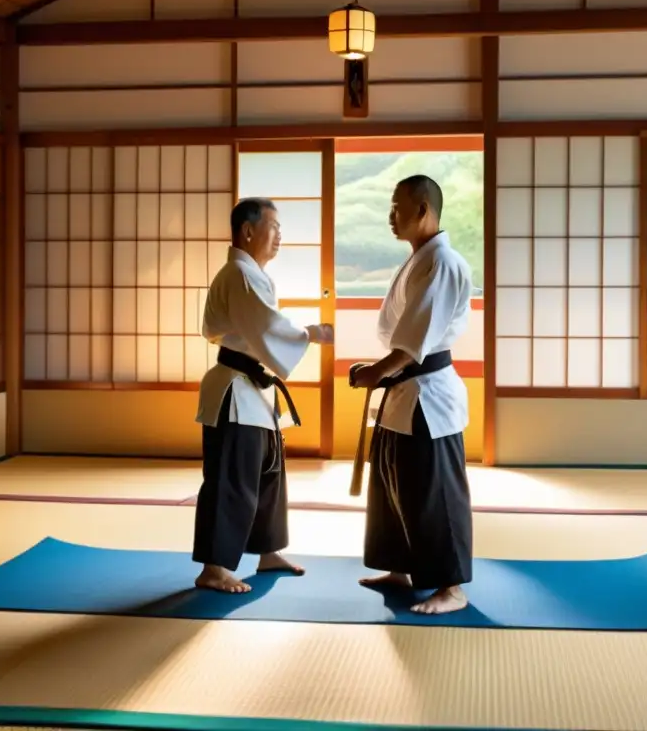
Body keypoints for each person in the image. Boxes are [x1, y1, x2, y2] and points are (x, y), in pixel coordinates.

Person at [193, 197, 333, 594]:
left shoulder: (250, 273)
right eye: (273, 226)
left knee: (268, 474)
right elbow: (265, 324)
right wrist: (310, 333)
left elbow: (261, 327)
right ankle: (214, 567)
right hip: (235, 391)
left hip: (254, 390)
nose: (280, 235)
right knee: (231, 481)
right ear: (248, 230)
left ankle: (268, 550)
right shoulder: (239, 274)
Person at [349, 174, 474, 615]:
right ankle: (397, 566)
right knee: (392, 483)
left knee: (432, 491)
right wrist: (378, 372)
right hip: (405, 390)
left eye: (397, 207)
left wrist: (375, 373)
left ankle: (451, 587)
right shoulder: (421, 260)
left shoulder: (442, 262)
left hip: (428, 396)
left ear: (423, 210)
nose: (390, 216)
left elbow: (412, 342)